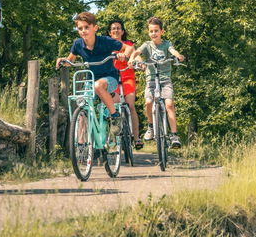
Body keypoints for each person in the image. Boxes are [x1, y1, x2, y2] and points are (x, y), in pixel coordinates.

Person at [56, 12, 134, 131]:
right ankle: (81, 145)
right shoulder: (78, 44)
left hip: (110, 78)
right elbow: (69, 61)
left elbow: (129, 48)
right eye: (80, 28)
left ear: (95, 28)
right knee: (83, 107)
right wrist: (63, 60)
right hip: (90, 79)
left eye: (86, 27)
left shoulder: (106, 41)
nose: (83, 31)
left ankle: (115, 116)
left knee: (98, 86)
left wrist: (124, 55)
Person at [128, 16, 185, 148]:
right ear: (148, 32)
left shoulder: (166, 44)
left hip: (165, 79)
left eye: (156, 31)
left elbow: (172, 50)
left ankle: (174, 135)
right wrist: (132, 58)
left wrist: (178, 56)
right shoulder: (147, 45)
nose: (154, 33)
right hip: (151, 80)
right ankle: (151, 127)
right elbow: (137, 51)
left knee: (169, 105)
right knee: (148, 102)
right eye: (151, 31)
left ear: (161, 32)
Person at [107, 18, 143, 149]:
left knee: (131, 104)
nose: (116, 30)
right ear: (110, 33)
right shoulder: (106, 45)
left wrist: (140, 63)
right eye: (113, 29)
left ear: (122, 31)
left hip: (128, 77)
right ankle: (112, 136)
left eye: (118, 28)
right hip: (113, 78)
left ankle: (137, 138)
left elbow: (136, 55)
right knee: (113, 105)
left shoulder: (128, 44)